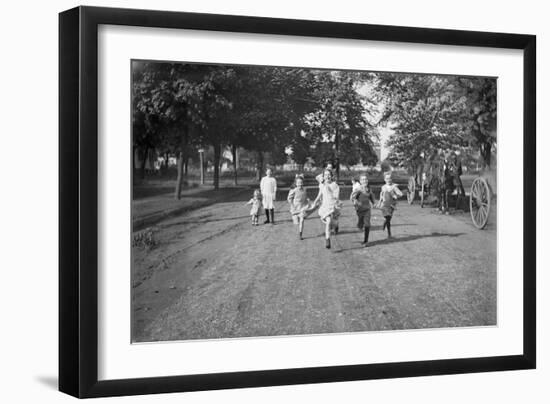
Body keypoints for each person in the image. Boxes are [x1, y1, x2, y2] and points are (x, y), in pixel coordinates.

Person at [313, 169, 341, 249]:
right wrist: (315, 202)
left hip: (333, 206)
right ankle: (328, 240)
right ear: (324, 176)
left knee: (333, 223)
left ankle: (336, 225)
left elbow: (337, 197)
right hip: (325, 207)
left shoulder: (335, 185)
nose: (327, 176)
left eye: (329, 175)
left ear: (332, 176)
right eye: (326, 175)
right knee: (328, 222)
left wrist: (330, 191)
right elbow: (320, 194)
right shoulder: (322, 185)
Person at [351, 174, 375, 246]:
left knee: (367, 224)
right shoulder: (358, 189)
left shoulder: (369, 189)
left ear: (367, 180)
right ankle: (359, 225)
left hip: (367, 209)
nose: (365, 181)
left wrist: (374, 203)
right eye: (363, 179)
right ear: (360, 181)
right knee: (360, 225)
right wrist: (356, 202)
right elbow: (353, 198)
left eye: (366, 179)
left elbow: (371, 198)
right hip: (360, 210)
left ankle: (366, 241)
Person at [377, 171, 403, 238]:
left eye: (390, 178)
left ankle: (385, 224)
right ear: (384, 179)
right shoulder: (383, 187)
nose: (388, 180)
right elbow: (381, 194)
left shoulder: (394, 187)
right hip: (385, 205)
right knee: (387, 217)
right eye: (387, 178)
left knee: (389, 219)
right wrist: (379, 202)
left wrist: (396, 196)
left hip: (392, 205)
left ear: (392, 179)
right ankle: (389, 233)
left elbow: (401, 194)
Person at [287, 175, 312, 240]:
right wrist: (292, 206)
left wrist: (308, 200)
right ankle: (296, 225)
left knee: (302, 220)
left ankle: (300, 234)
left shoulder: (304, 189)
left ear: (303, 183)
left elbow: (305, 197)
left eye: (301, 183)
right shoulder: (294, 190)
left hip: (302, 207)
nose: (300, 184)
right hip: (295, 208)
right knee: (296, 223)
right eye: (298, 183)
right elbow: (289, 199)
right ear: (296, 183)